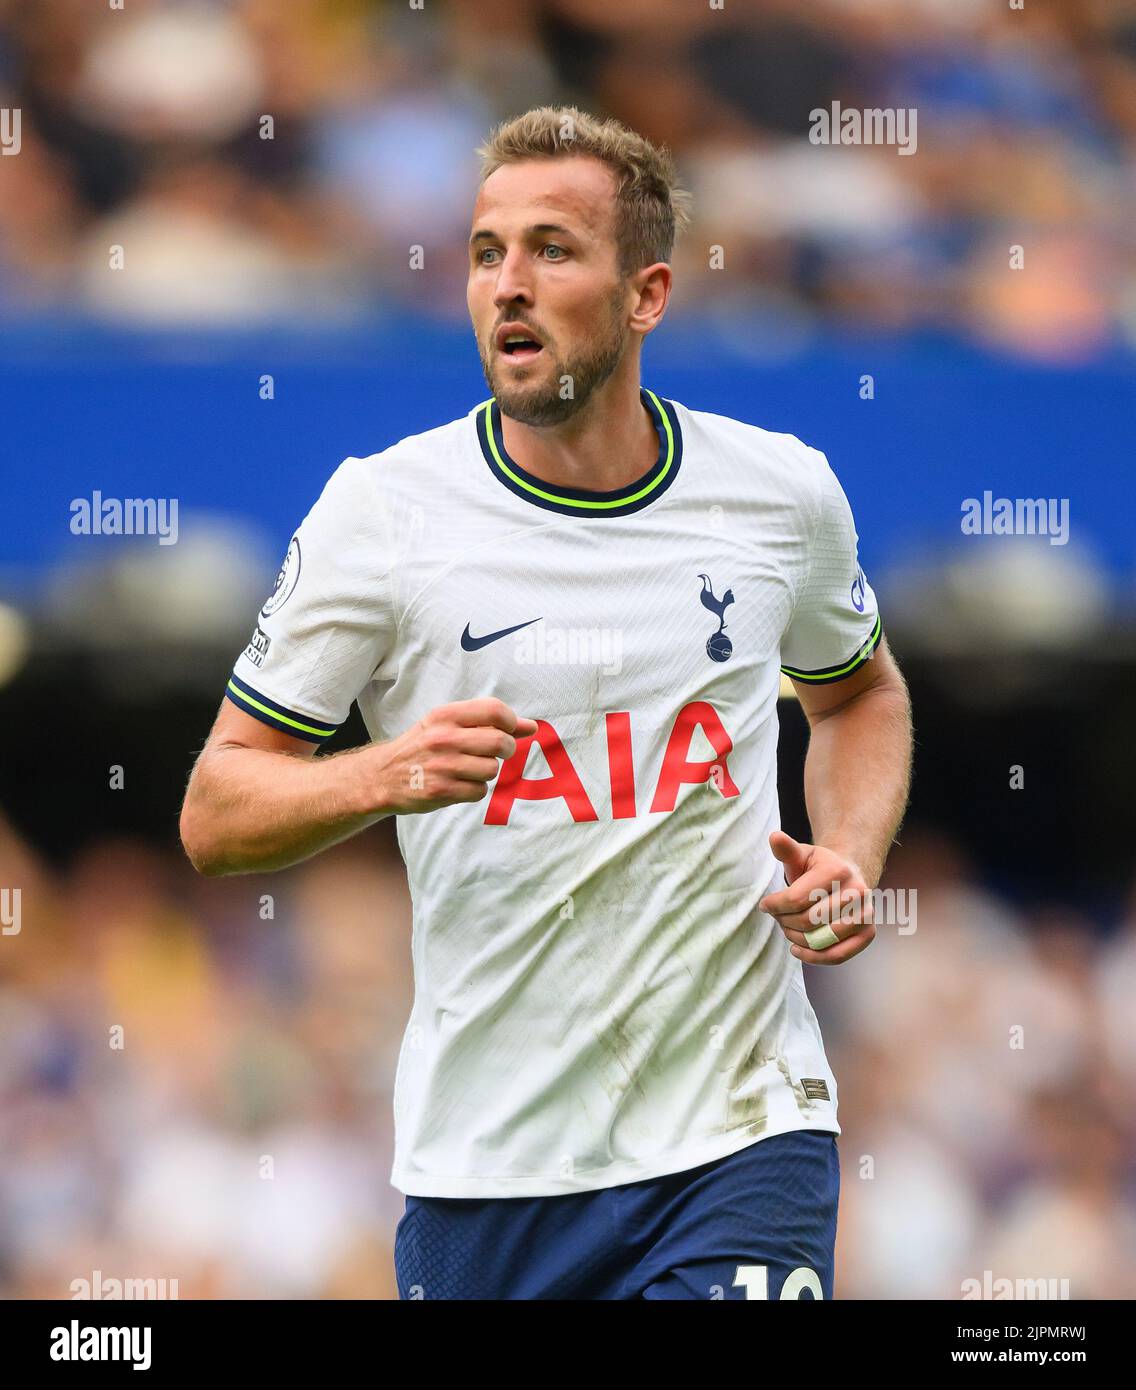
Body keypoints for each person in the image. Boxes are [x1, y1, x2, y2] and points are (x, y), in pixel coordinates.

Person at [180, 105, 913, 1300]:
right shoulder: (381, 515)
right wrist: (385, 773)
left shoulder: (778, 493)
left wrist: (849, 854)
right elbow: (216, 812)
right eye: (486, 252)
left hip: (739, 1132)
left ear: (646, 293)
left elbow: (857, 693)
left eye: (551, 250)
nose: (506, 284)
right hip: (489, 1170)